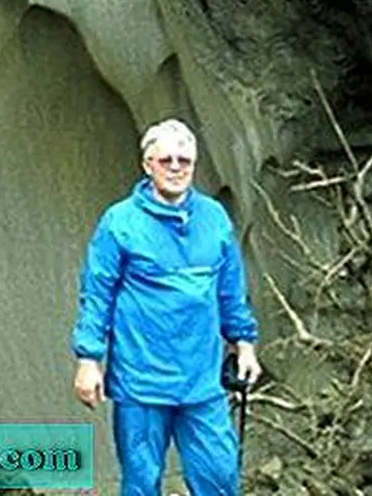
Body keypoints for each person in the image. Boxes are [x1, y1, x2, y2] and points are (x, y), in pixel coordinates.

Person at [70, 118, 263, 495]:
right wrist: (88, 360)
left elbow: (230, 291)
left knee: (220, 477)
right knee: (141, 483)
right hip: (141, 383)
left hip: (201, 381)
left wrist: (244, 344)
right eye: (166, 160)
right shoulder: (119, 222)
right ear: (148, 164)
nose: (176, 168)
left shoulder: (214, 219)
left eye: (184, 161)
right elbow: (97, 293)